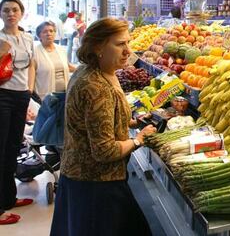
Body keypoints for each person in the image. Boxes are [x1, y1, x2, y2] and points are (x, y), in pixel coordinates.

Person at [50, 18, 156, 236]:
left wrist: (132, 122)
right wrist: (139, 139)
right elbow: (104, 150)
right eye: (120, 44)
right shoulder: (95, 87)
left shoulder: (97, 72)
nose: (128, 51)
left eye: (128, 42)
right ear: (98, 47)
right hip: (95, 186)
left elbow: (99, 120)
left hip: (81, 178)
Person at [0, 0, 35, 225]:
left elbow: (32, 64)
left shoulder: (28, 38)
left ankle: (9, 198)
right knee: (1, 149)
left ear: (22, 13)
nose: (11, 13)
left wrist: (29, 91)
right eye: (6, 10)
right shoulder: (0, 38)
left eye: (14, 10)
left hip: (21, 96)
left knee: (13, 147)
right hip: (2, 96)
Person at [32, 21, 76, 101]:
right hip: (45, 97)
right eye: (45, 31)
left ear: (55, 34)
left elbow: (67, 66)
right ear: (39, 36)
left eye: (51, 31)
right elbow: (31, 76)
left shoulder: (61, 50)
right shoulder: (35, 52)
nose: (49, 34)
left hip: (64, 95)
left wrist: (83, 69)